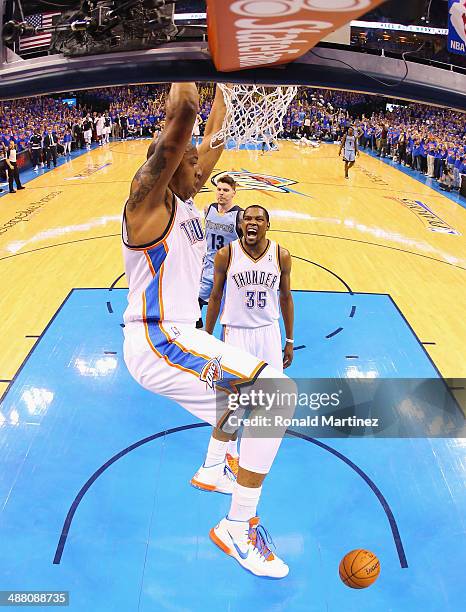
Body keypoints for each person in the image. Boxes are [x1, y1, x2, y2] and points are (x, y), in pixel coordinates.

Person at [122, 83, 294, 578]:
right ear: (165, 165)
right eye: (184, 158)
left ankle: (214, 467)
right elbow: (183, 118)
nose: (197, 164)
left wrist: (224, 84)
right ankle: (237, 527)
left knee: (254, 406)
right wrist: (186, 64)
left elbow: (211, 134)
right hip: (157, 338)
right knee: (274, 396)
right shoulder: (145, 206)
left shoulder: (189, 203)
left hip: (182, 335)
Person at [205, 204, 294, 373]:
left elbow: (286, 297)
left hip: (268, 331)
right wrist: (207, 338)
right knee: (235, 393)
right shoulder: (226, 254)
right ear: (241, 225)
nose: (252, 222)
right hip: (235, 332)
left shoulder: (281, 255)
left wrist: (289, 340)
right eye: (247, 219)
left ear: (268, 225)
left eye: (259, 219)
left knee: (270, 392)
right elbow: (215, 297)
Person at [198, 174, 242, 326]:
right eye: (218, 189)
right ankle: (197, 333)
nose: (221, 193)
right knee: (195, 303)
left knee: (227, 310)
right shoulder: (208, 209)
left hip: (228, 269)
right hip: (208, 266)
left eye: (226, 190)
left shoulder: (239, 216)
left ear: (233, 193)